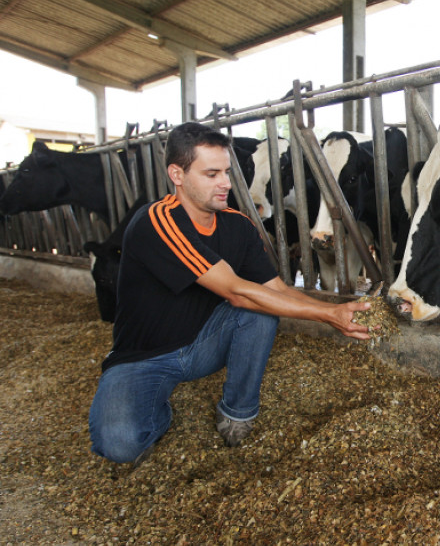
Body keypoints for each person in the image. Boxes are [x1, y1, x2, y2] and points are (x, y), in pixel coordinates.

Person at [89, 122, 373, 465]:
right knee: (120, 447)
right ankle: (154, 405)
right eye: (211, 174)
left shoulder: (237, 225)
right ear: (177, 174)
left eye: (226, 171)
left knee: (258, 308)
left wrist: (341, 308)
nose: (226, 183)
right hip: (142, 359)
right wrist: (329, 316)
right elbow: (236, 291)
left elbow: (277, 290)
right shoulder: (156, 221)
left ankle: (237, 412)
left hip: (204, 344)